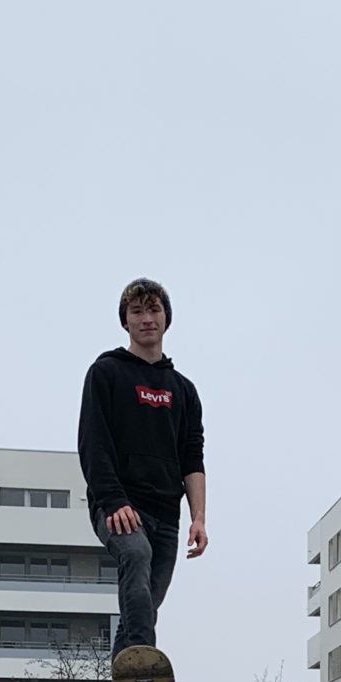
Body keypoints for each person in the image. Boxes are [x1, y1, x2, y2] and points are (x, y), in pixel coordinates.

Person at [77, 277, 208, 659]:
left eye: (154, 310)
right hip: (119, 505)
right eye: (137, 311)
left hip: (166, 514)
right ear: (125, 321)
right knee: (135, 555)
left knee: (143, 609)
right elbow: (92, 443)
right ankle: (146, 666)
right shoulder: (107, 373)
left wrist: (198, 517)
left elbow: (193, 457)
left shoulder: (183, 390)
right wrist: (114, 500)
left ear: (166, 318)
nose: (146, 318)